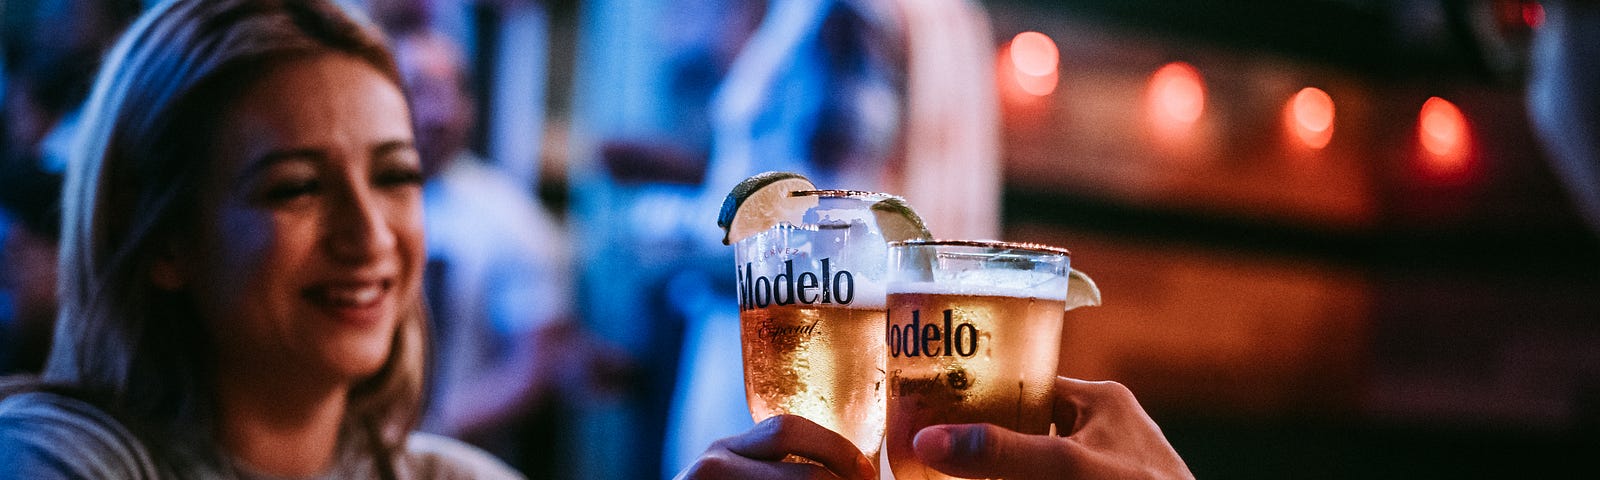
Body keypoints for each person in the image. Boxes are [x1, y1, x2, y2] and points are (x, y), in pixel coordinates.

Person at [0, 0, 521, 477]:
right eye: (298, 187)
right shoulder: (56, 457)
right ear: (162, 237)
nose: (369, 235)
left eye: (395, 176)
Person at [390, 28, 626, 470]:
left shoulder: (510, 217)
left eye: (453, 91)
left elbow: (533, 366)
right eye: (419, 90)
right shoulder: (359, 204)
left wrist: (431, 431)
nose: (437, 113)